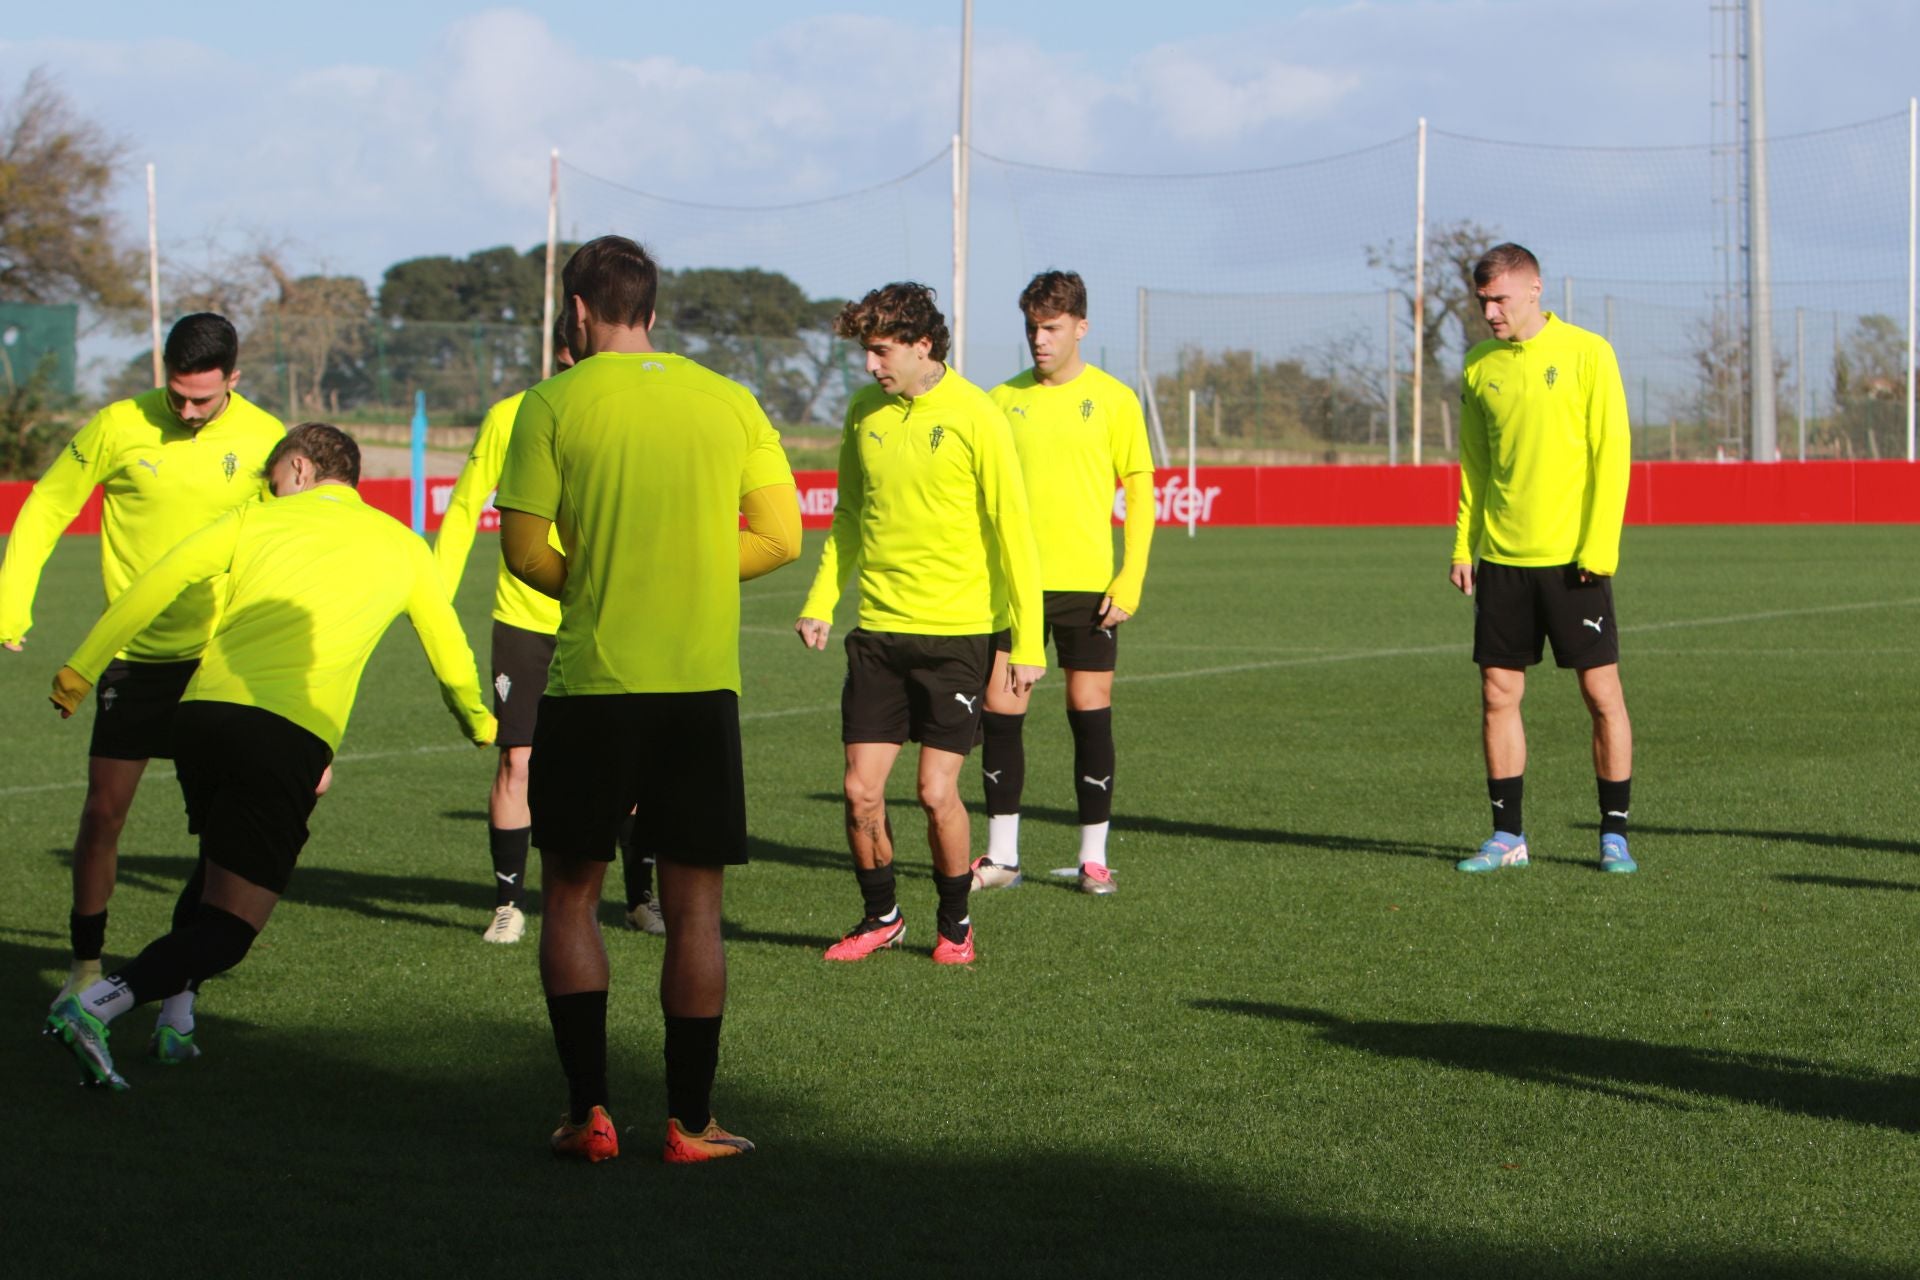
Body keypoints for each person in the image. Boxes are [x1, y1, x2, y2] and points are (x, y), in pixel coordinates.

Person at [42, 423, 495, 1091]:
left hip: (198, 718)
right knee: (230, 929)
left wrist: (80, 672)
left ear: (305, 468)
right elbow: (450, 654)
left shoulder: (251, 522)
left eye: (273, 475)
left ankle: (178, 1022)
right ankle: (98, 1004)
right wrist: (480, 722)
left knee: (215, 867)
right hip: (281, 737)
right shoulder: (404, 546)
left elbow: (154, 582)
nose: (266, 486)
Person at [495, 235, 801, 1164]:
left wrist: (597, 585)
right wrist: (697, 571)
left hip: (595, 683)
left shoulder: (550, 401)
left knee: (571, 899)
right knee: (695, 907)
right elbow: (782, 539)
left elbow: (521, 551)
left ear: (579, 313)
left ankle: (588, 1115)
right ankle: (691, 1123)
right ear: (653, 313)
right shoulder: (730, 398)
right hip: (700, 688)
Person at [1, 314, 285, 1003]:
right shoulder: (118, 425)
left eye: (203, 400)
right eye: (177, 395)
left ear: (234, 381)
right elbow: (45, 506)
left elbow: (289, 537)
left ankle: (182, 985)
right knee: (104, 813)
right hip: (134, 658)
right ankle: (85, 969)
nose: (187, 411)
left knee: (219, 830)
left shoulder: (268, 438)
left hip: (220, 658)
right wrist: (12, 601)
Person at [795, 281, 1046, 966]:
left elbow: (1014, 532)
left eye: (881, 350)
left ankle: (955, 925)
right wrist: (821, 600)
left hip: (958, 635)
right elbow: (849, 516)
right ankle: (882, 917)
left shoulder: (977, 414)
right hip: (878, 632)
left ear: (922, 345)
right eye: (866, 351)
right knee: (859, 791)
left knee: (936, 793)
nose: (871, 365)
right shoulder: (862, 411)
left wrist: (1025, 642)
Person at [435, 317, 663, 944]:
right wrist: (434, 597)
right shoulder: (513, 415)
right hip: (527, 618)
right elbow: (464, 504)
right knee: (519, 760)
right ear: (564, 351)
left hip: (610, 616)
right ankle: (509, 903)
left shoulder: (633, 413)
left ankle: (641, 897)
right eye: (570, 361)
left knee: (630, 767)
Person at [1448, 242, 1635, 875]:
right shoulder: (1478, 366)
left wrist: (1599, 549)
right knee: (1498, 695)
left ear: (1534, 289)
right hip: (1502, 559)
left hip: (1575, 561)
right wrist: (1463, 546)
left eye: (1499, 298)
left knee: (1601, 693)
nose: (1490, 312)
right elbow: (1474, 466)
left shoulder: (1589, 353)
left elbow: (1613, 455)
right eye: (1482, 301)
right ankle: (1508, 838)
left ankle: (1614, 835)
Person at [971, 270, 1156, 897]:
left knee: (1089, 714)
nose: (1039, 341)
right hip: (1012, 587)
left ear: (1081, 327)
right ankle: (1002, 857)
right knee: (1002, 712)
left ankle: (1093, 858)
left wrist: (1129, 578)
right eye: (1031, 328)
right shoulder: (999, 400)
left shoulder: (1114, 399)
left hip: (1088, 586)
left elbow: (1141, 491)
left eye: (1051, 328)